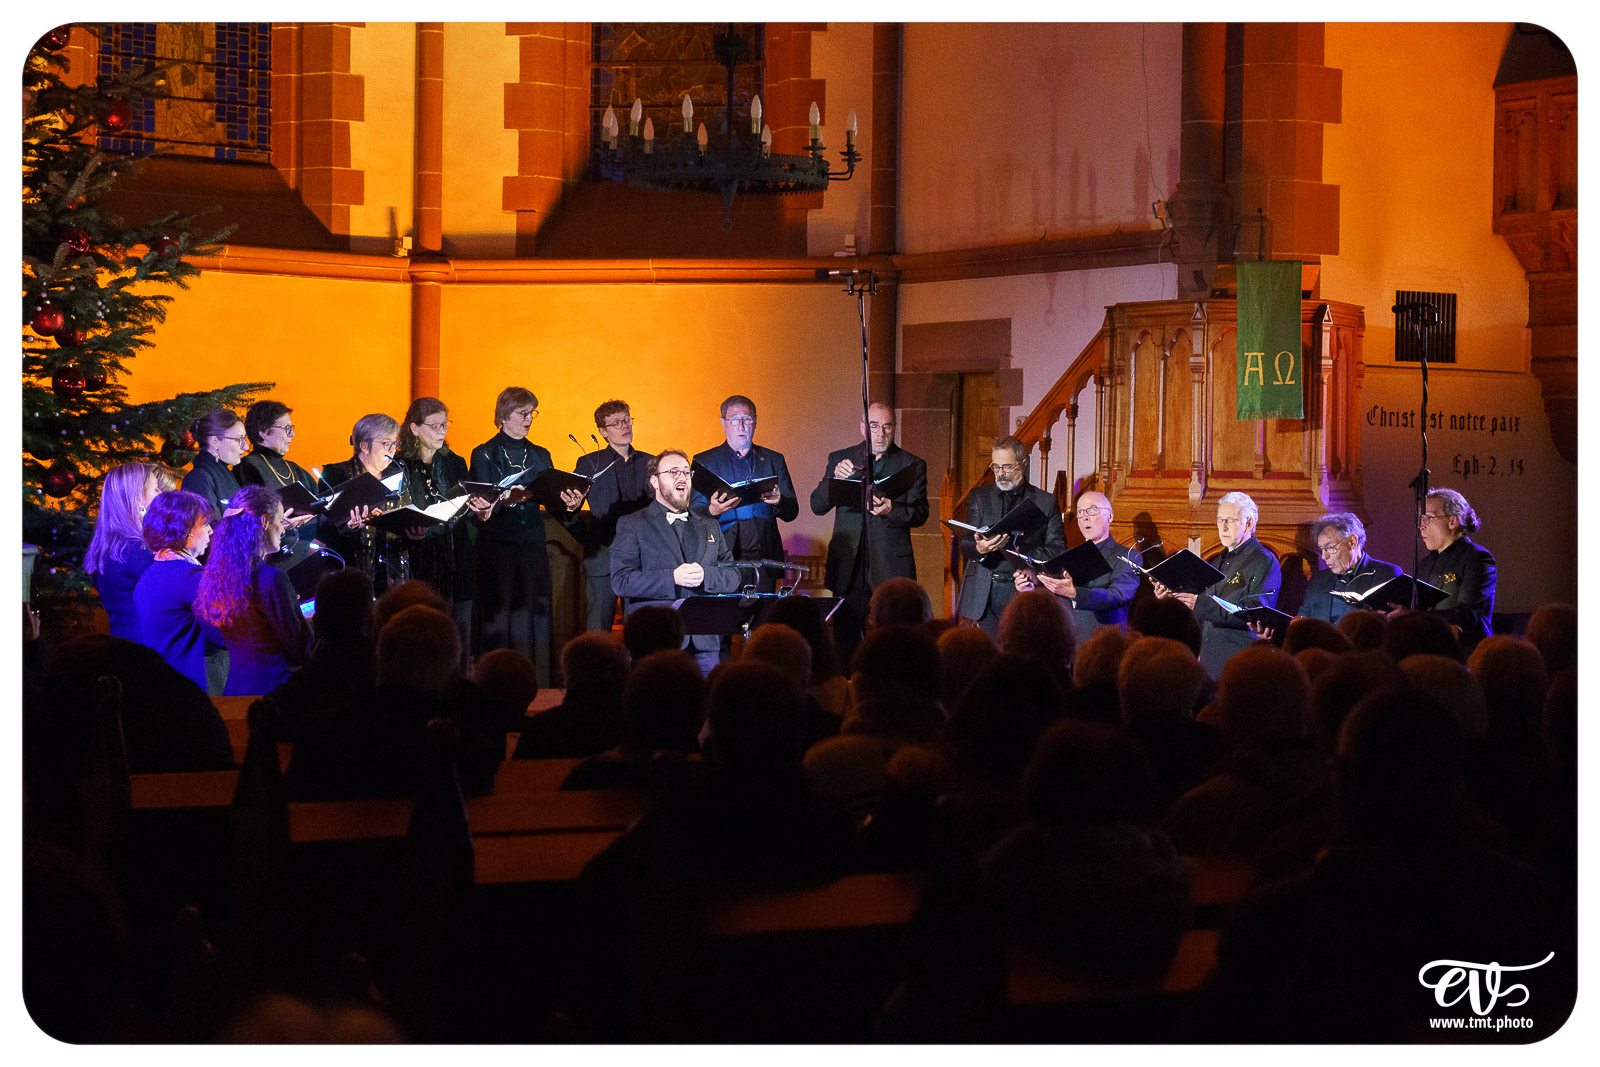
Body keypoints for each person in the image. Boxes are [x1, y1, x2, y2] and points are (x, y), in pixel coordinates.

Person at [469, 387, 583, 686]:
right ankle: (494, 685)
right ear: (504, 416)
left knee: (535, 620)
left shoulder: (540, 454)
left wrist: (570, 505)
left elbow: (554, 502)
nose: (530, 418)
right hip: (497, 549)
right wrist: (503, 500)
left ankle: (539, 686)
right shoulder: (484, 453)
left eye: (532, 412)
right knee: (499, 620)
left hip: (533, 548)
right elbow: (481, 503)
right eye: (523, 413)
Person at [610, 449, 742, 675]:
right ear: (655, 481)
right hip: (655, 642)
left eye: (685, 472)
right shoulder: (632, 524)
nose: (682, 477)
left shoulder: (709, 524)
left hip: (705, 642)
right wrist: (672, 577)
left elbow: (733, 575)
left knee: (706, 706)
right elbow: (621, 581)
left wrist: (706, 576)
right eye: (673, 472)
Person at [808, 400, 928, 633]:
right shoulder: (840, 459)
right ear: (863, 427)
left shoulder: (912, 464)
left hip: (890, 564)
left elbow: (921, 513)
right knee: (846, 636)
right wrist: (836, 480)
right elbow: (817, 505)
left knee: (894, 636)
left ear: (894, 428)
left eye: (887, 426)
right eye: (874, 426)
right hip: (848, 567)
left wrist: (891, 510)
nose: (880, 434)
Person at [194, 485, 313, 696]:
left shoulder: (218, 577)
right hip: (275, 694)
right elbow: (302, 648)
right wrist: (309, 619)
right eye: (280, 521)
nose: (284, 529)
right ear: (265, 521)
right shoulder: (271, 579)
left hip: (237, 691)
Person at [1156, 490, 1281, 680]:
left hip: (1238, 663)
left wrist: (1199, 604)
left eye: (1229, 520)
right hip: (1208, 662)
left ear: (1249, 523)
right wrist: (1171, 598)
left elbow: (1257, 612)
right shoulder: (1216, 562)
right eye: (1219, 520)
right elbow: (1199, 614)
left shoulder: (1263, 560)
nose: (1222, 527)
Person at [398, 397, 485, 666]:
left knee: (459, 636)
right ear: (414, 428)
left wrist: (481, 510)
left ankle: (458, 693)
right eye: (434, 426)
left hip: (456, 556)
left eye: (445, 425)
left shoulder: (454, 462)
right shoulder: (400, 464)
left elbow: (466, 505)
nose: (441, 432)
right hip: (419, 559)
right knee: (424, 638)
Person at [954, 435, 1067, 637]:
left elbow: (1058, 549)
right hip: (983, 592)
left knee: (1016, 655)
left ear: (1023, 464)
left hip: (1022, 590)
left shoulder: (1045, 501)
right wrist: (979, 548)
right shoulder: (979, 496)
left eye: (1007, 467)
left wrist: (1017, 550)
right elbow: (966, 543)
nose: (1001, 474)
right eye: (996, 467)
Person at [691, 395, 798, 594]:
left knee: (761, 616)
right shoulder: (705, 461)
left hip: (763, 558)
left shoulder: (773, 459)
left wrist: (778, 501)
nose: (741, 425)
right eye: (734, 419)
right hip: (723, 557)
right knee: (724, 618)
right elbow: (692, 512)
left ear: (755, 422)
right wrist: (711, 510)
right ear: (723, 423)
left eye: (746, 419)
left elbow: (792, 511)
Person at [1015, 489, 1141, 639]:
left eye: (1092, 510)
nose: (1084, 517)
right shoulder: (1068, 557)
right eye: (1080, 512)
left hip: (1105, 642)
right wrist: (1031, 589)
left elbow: (1117, 596)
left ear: (1110, 516)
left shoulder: (1128, 556)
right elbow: (1054, 600)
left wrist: (1076, 593)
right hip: (1067, 641)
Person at [132, 489, 224, 694]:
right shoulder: (190, 576)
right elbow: (222, 635)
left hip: (163, 687)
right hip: (193, 687)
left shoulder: (149, 575)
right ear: (187, 531)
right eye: (205, 524)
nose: (211, 531)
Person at [575, 400, 654, 632]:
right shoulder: (589, 463)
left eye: (627, 420)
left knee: (642, 630)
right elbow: (568, 512)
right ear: (603, 431)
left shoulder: (651, 462)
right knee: (598, 630)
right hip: (603, 557)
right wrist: (588, 537)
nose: (624, 426)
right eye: (616, 423)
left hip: (643, 558)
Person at [321, 413, 416, 597]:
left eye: (394, 443)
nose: (392, 449)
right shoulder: (337, 475)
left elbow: (406, 512)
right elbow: (324, 528)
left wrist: (414, 528)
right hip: (351, 572)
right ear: (364, 446)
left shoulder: (398, 474)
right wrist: (349, 528)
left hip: (392, 570)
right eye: (386, 443)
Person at [84, 461, 173, 642]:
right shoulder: (135, 549)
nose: (162, 496)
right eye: (156, 490)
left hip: (123, 640)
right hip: (143, 646)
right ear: (137, 497)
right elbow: (172, 593)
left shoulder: (113, 546)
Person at [1414, 487, 1496, 651]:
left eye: (1428, 518)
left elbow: (1467, 614)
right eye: (1420, 520)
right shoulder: (1425, 564)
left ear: (1452, 521)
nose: (1421, 526)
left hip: (1467, 652)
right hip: (1431, 650)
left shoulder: (1477, 558)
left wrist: (1413, 616)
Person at [1294, 512, 1400, 624]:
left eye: (1330, 547)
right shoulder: (1318, 580)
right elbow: (1303, 617)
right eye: (1321, 549)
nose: (1324, 556)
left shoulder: (1387, 574)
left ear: (1352, 541)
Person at [181, 409, 248, 519]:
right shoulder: (198, 479)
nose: (246, 447)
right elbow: (208, 529)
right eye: (239, 439)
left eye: (244, 439)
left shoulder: (223, 474)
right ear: (214, 442)